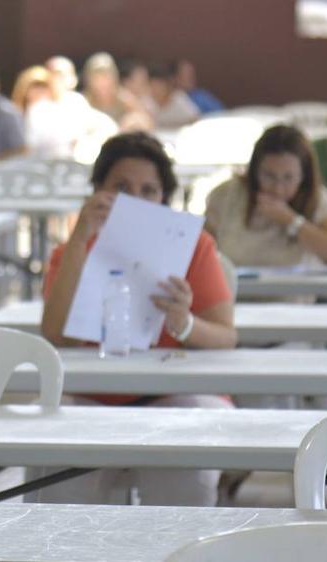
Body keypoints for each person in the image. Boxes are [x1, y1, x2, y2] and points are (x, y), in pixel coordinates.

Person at [39, 131, 235, 506]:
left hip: (177, 394)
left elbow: (226, 336)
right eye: (122, 187)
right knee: (58, 474)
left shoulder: (194, 245)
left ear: (164, 197)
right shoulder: (75, 247)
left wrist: (185, 322)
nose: (136, 200)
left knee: (184, 462)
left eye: (149, 190)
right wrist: (81, 237)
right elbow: (54, 335)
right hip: (91, 397)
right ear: (98, 191)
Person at [204, 125, 327, 268]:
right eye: (269, 176)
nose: (278, 189)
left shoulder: (315, 198)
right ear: (255, 172)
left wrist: (291, 220)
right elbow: (201, 251)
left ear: (303, 176)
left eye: (288, 178)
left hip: (294, 291)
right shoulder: (226, 195)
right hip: (237, 291)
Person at [82, 53, 151, 131]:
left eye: (105, 76)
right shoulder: (84, 101)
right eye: (97, 77)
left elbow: (146, 120)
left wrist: (132, 121)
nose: (102, 82)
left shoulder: (123, 98)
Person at [145, 60, 201, 128]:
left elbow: (195, 119)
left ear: (167, 85)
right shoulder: (147, 102)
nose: (156, 90)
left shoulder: (179, 99)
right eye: (152, 86)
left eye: (159, 86)